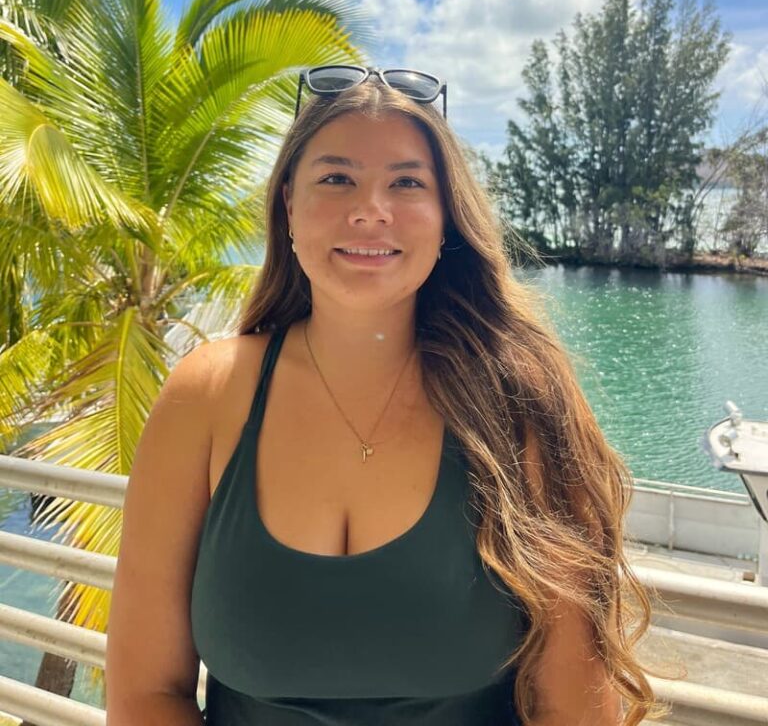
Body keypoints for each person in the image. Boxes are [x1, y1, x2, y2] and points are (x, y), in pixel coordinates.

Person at [106, 66, 663, 726]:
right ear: (288, 203)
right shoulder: (205, 397)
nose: (371, 208)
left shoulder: (519, 403)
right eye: (337, 178)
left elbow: (572, 711)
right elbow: (145, 692)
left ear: (445, 215)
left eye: (406, 182)